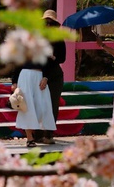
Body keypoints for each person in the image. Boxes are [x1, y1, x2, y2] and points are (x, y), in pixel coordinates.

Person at [14, 53, 56, 147]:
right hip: (25, 76)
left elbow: (49, 62)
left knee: (42, 107)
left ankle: (36, 133)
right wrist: (14, 81)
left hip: (39, 76)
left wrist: (45, 77)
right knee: (27, 105)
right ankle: (30, 138)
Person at [38, 10, 66, 144]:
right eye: (46, 22)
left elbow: (62, 58)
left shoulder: (58, 39)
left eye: (50, 23)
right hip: (39, 74)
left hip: (54, 75)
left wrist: (54, 57)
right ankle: (38, 134)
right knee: (39, 105)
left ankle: (48, 134)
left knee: (53, 105)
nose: (48, 25)